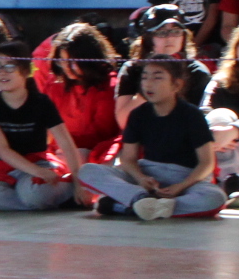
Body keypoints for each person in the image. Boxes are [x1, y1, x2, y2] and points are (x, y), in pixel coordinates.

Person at [78, 58, 225, 218]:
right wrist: (141, 178)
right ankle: (141, 200)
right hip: (148, 173)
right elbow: (128, 159)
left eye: (157, 77)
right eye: (145, 77)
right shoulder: (138, 115)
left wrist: (181, 186)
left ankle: (129, 207)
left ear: (176, 85)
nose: (148, 84)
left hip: (184, 176)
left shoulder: (192, 115)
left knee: (214, 197)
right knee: (88, 171)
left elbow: (206, 163)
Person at [0, 42, 82, 212]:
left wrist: (78, 182)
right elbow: (2, 150)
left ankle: (62, 191)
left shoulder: (41, 102)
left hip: (39, 163)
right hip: (8, 171)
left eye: (10, 66)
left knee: (35, 194)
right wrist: (38, 172)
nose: (2, 72)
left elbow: (65, 142)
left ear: (25, 71)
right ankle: (41, 201)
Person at [36, 21, 120, 168]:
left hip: (94, 153)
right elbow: (44, 124)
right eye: (62, 61)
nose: (67, 68)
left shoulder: (109, 86)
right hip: (58, 152)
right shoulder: (54, 84)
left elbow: (101, 133)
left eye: (73, 62)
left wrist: (66, 148)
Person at [116, 2, 211, 122]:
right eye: (161, 32)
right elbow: (123, 121)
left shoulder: (197, 71)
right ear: (148, 38)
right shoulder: (133, 69)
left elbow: (200, 121)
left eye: (176, 31)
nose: (170, 38)